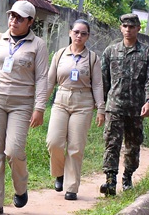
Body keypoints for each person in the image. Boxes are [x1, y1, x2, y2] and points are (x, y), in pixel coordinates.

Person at [0, 0, 49, 215]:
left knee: (14, 150)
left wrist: (39, 108)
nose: (14, 20)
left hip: (22, 103)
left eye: (20, 18)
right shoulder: (0, 39)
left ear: (30, 21)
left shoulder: (38, 44)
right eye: (12, 16)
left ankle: (21, 188)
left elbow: (43, 78)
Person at [99, 13, 149, 195]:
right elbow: (104, 80)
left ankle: (127, 177)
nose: (128, 30)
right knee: (112, 143)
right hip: (114, 106)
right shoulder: (110, 52)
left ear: (138, 28)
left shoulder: (148, 53)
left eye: (131, 27)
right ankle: (110, 180)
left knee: (133, 145)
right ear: (120, 28)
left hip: (136, 108)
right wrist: (101, 106)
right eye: (125, 26)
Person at [44, 19, 105, 201]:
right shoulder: (60, 55)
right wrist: (38, 105)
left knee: (76, 146)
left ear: (88, 36)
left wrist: (100, 108)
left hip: (83, 102)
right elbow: (49, 81)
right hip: (61, 99)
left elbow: (98, 85)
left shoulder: (93, 58)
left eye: (83, 33)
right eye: (76, 32)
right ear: (70, 32)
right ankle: (59, 173)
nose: (79, 36)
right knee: (53, 141)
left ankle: (71, 187)